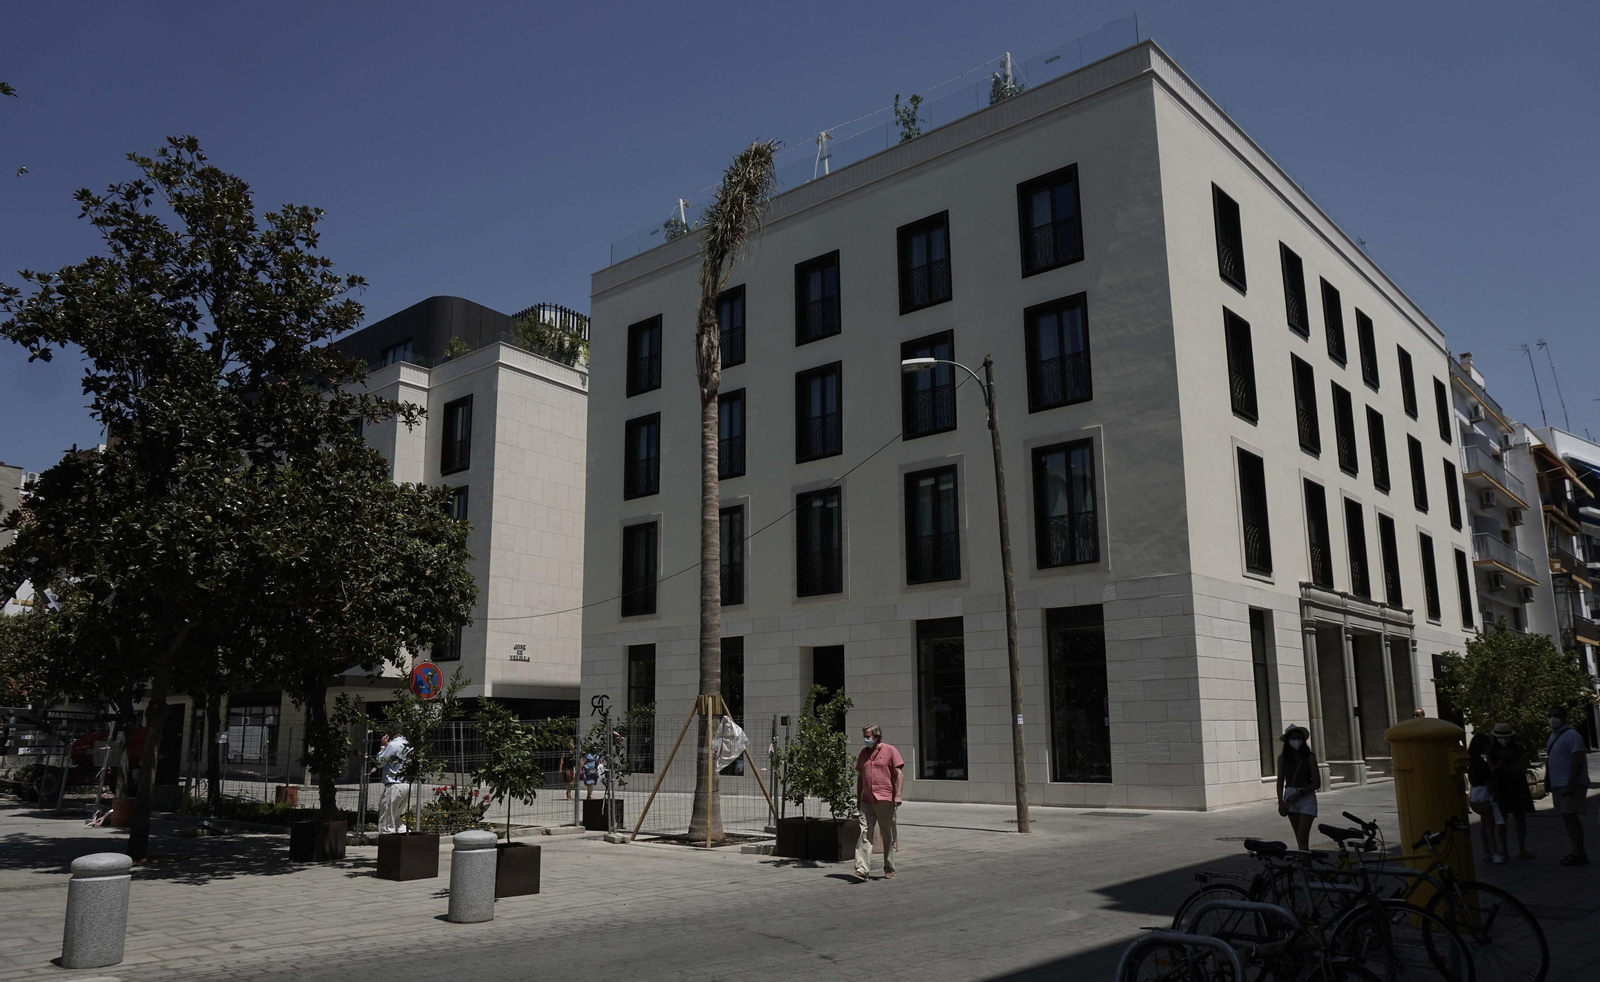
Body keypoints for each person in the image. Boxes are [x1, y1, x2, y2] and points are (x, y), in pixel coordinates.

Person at [853, 724, 903, 882]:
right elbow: (860, 777)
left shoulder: (890, 750)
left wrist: (898, 795)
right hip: (867, 800)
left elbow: (899, 774)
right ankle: (862, 869)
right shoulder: (863, 753)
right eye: (864, 736)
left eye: (868, 736)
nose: (865, 739)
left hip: (885, 799)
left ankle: (889, 867)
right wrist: (858, 798)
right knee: (864, 833)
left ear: (877, 736)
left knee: (887, 834)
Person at [1545, 706, 1590, 866]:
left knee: (1571, 817)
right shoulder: (1553, 736)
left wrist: (1571, 782)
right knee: (1567, 817)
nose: (1552, 719)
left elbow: (1578, 759)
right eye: (1549, 715)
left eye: (1555, 715)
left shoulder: (1572, 735)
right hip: (1558, 784)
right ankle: (1577, 851)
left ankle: (1578, 852)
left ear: (1564, 717)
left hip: (1570, 784)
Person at [1486, 722, 1534, 860]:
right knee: (1501, 820)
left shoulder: (1518, 749)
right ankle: (1504, 849)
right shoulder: (1492, 751)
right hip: (1500, 787)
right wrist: (1498, 767)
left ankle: (1522, 848)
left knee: (1520, 818)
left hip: (1517, 786)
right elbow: (1490, 770)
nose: (1504, 739)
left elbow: (1523, 767)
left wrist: (1516, 769)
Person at [1276, 725, 1321, 850]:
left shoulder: (1310, 758)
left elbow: (1316, 783)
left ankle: (1305, 865)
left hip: (1306, 797)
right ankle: (1305, 865)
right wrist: (1280, 801)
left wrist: (1299, 793)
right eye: (1293, 738)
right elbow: (1280, 781)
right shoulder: (1282, 759)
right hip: (1289, 797)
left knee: (1302, 837)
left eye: (1298, 738)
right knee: (1299, 839)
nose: (1296, 741)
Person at [1466, 732, 1502, 863]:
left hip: (1475, 794)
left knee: (1483, 824)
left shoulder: (1471, 760)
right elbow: (1487, 780)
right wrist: (1494, 795)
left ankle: (1486, 851)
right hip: (1485, 795)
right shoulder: (1482, 762)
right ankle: (1495, 852)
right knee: (1490, 825)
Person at [371, 727, 410, 834]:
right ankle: (405, 837)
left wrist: (383, 747)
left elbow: (380, 762)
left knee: (387, 821)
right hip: (406, 785)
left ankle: (388, 844)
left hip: (394, 785)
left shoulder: (393, 745)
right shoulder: (409, 745)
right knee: (395, 817)